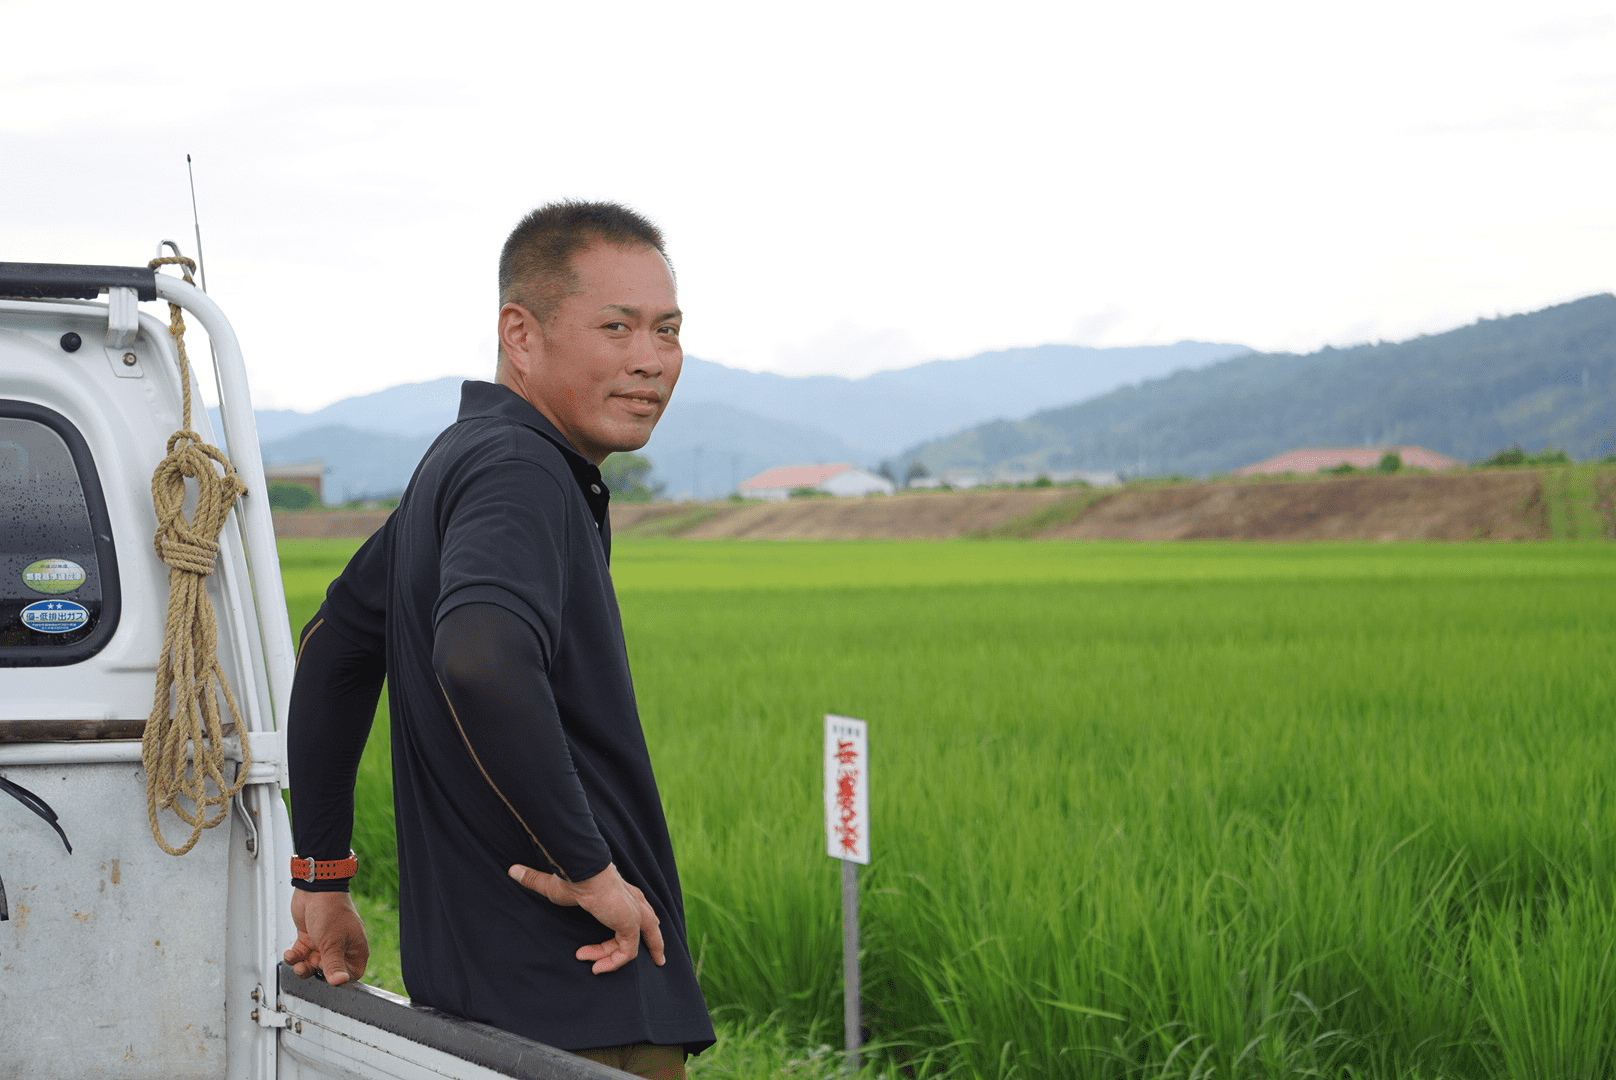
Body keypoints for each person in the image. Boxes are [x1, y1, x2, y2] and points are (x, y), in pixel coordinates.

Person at [282, 201, 714, 1078]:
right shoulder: (520, 469)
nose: (652, 360)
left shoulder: (459, 462)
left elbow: (332, 649)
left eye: (667, 330)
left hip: (482, 1007)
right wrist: (591, 872)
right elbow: (479, 656)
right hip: (588, 1001)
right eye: (617, 326)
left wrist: (321, 878)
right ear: (521, 333)